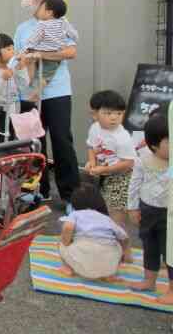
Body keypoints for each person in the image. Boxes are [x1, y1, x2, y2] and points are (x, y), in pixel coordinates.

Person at [14, 0, 80, 208]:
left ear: (43, 2)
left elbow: (70, 52)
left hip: (57, 91)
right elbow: (17, 55)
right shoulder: (23, 28)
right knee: (33, 141)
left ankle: (71, 194)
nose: (25, 1)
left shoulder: (61, 23)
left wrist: (40, 55)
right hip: (30, 94)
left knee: (62, 140)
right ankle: (36, 191)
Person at [128, 112, 173, 302]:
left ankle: (171, 289)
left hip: (169, 214)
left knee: (170, 252)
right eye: (169, 141)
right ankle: (149, 280)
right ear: (153, 145)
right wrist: (132, 208)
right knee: (150, 246)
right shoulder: (143, 160)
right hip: (147, 210)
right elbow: (135, 184)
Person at [84, 90, 136, 231]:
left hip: (122, 178)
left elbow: (128, 163)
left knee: (115, 219)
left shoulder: (122, 137)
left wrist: (104, 169)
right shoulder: (95, 128)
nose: (114, 118)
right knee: (103, 210)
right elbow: (91, 146)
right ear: (94, 114)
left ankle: (122, 249)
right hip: (104, 173)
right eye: (108, 113)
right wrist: (92, 162)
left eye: (119, 113)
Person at [58, 183, 131, 281]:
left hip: (83, 263)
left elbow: (68, 228)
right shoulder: (106, 218)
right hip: (108, 264)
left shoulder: (75, 214)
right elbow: (124, 236)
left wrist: (66, 242)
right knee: (116, 245)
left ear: (75, 202)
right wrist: (125, 251)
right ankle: (109, 275)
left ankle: (67, 268)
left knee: (61, 243)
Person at [21, 0, 79, 95]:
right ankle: (36, 88)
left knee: (32, 64)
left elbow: (35, 37)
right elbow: (72, 33)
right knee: (46, 76)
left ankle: (33, 89)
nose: (39, 10)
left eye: (41, 8)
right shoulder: (63, 22)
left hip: (40, 54)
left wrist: (28, 47)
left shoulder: (42, 24)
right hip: (55, 56)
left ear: (49, 12)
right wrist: (74, 37)